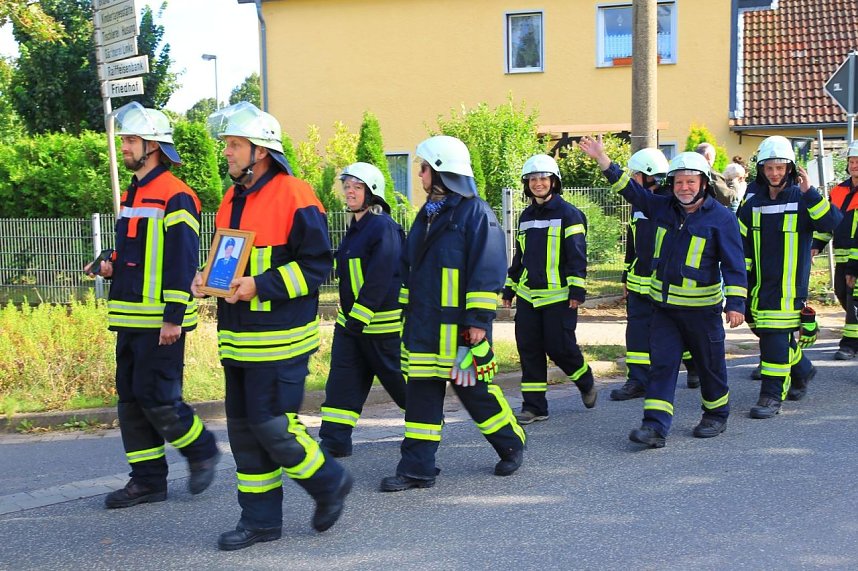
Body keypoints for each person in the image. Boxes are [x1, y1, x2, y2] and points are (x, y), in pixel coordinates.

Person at [196, 102, 352, 551]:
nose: (226, 153)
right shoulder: (232, 198)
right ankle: (260, 521)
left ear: (260, 151)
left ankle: (329, 482)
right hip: (238, 339)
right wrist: (207, 280)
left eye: (234, 145)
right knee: (245, 431)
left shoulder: (296, 193)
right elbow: (229, 259)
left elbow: (318, 265)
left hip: (281, 339)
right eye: (226, 145)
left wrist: (258, 286)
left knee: (273, 425)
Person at [87, 102, 220, 509]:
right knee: (130, 400)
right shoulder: (134, 192)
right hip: (128, 317)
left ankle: (201, 450)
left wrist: (174, 317)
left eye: (131, 140)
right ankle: (147, 481)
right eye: (125, 139)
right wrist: (110, 263)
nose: (124, 147)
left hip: (160, 321)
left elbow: (181, 260)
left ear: (154, 147)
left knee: (158, 397)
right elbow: (136, 252)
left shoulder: (178, 196)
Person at [380, 135, 526, 491]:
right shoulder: (428, 214)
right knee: (421, 397)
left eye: (424, 168)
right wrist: (403, 311)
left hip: (461, 331)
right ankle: (417, 469)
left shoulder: (475, 212)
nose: (419, 174)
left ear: (442, 171)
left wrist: (478, 322)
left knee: (476, 395)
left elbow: (488, 269)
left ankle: (511, 444)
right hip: (425, 328)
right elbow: (409, 267)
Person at [580, 137, 747, 448]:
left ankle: (716, 414)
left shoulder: (721, 218)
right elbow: (631, 191)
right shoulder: (662, 207)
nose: (684, 187)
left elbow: (735, 264)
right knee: (663, 365)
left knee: (710, 365)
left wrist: (736, 303)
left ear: (703, 184)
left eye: (690, 181)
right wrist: (603, 160)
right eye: (679, 181)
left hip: (702, 311)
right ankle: (654, 427)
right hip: (665, 309)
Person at [738, 136, 841, 418]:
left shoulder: (803, 199)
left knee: (771, 340)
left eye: (780, 168)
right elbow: (741, 245)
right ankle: (803, 370)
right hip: (758, 285)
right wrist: (741, 285)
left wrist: (812, 194)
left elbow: (832, 224)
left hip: (788, 288)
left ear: (791, 169)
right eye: (769, 168)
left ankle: (771, 397)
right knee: (774, 336)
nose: (774, 173)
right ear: (761, 170)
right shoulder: (752, 204)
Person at [595, 148, 699, 401]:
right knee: (637, 332)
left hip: (664, 284)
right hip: (638, 282)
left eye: (636, 174)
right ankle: (637, 380)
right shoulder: (639, 205)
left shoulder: (670, 204)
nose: (633, 178)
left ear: (649, 175)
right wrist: (624, 278)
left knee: (675, 330)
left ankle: (694, 366)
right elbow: (633, 244)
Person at [318, 162, 407, 457]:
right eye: (347, 186)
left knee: (399, 381)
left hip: (381, 328)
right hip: (351, 326)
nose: (349, 191)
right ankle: (334, 440)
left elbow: (381, 276)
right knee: (342, 381)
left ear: (372, 193)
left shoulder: (383, 227)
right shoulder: (356, 229)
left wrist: (361, 316)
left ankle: (428, 421)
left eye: (357, 187)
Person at [501, 154, 597, 424]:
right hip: (529, 297)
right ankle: (534, 407)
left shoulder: (570, 214)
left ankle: (585, 379)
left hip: (560, 298)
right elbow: (520, 257)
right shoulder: (526, 216)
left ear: (554, 182)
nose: (538, 183)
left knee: (560, 348)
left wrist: (577, 290)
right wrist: (509, 288)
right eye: (532, 179)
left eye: (543, 178)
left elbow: (577, 255)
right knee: (529, 349)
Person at [810, 141, 858, 360]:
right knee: (842, 294)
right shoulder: (838, 191)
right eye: (852, 161)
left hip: (857, 260)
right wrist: (815, 246)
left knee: (853, 299)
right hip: (842, 258)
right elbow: (828, 223)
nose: (855, 165)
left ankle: (849, 345)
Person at [695, 142, 734, 208]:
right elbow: (726, 198)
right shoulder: (711, 174)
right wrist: (733, 185)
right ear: (709, 156)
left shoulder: (688, 171)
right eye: (714, 156)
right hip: (708, 213)